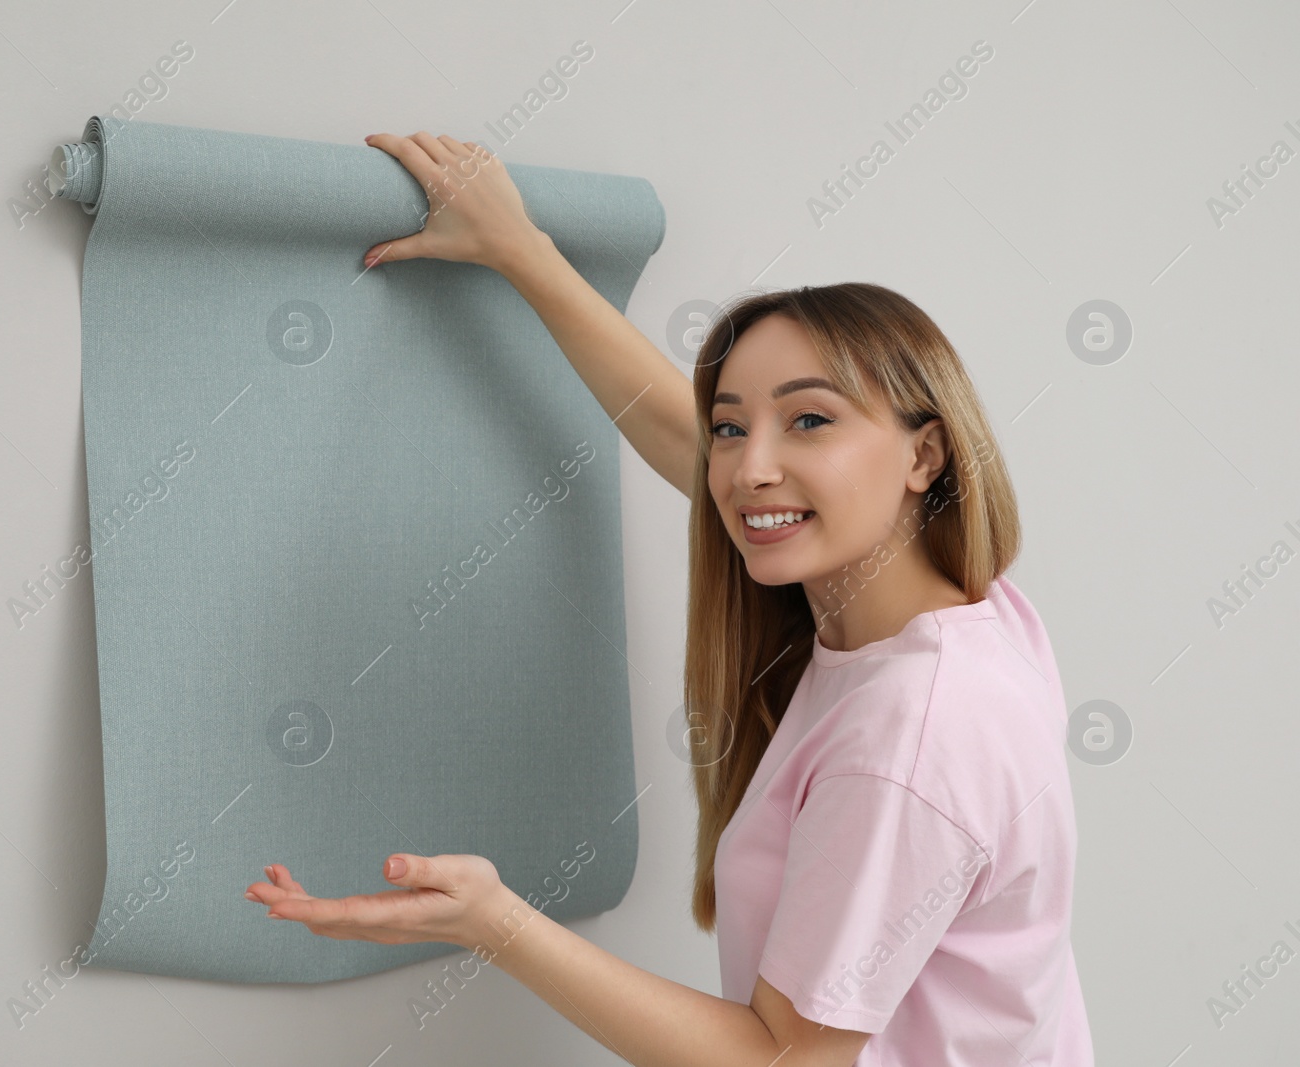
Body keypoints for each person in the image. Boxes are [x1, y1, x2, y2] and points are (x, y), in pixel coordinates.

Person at [244, 131, 1095, 1066]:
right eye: (733, 426)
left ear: (923, 454)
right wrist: (518, 248)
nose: (751, 468)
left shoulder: (914, 730)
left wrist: (494, 923)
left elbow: (784, 1059)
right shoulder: (966, 615)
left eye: (810, 419)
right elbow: (672, 429)